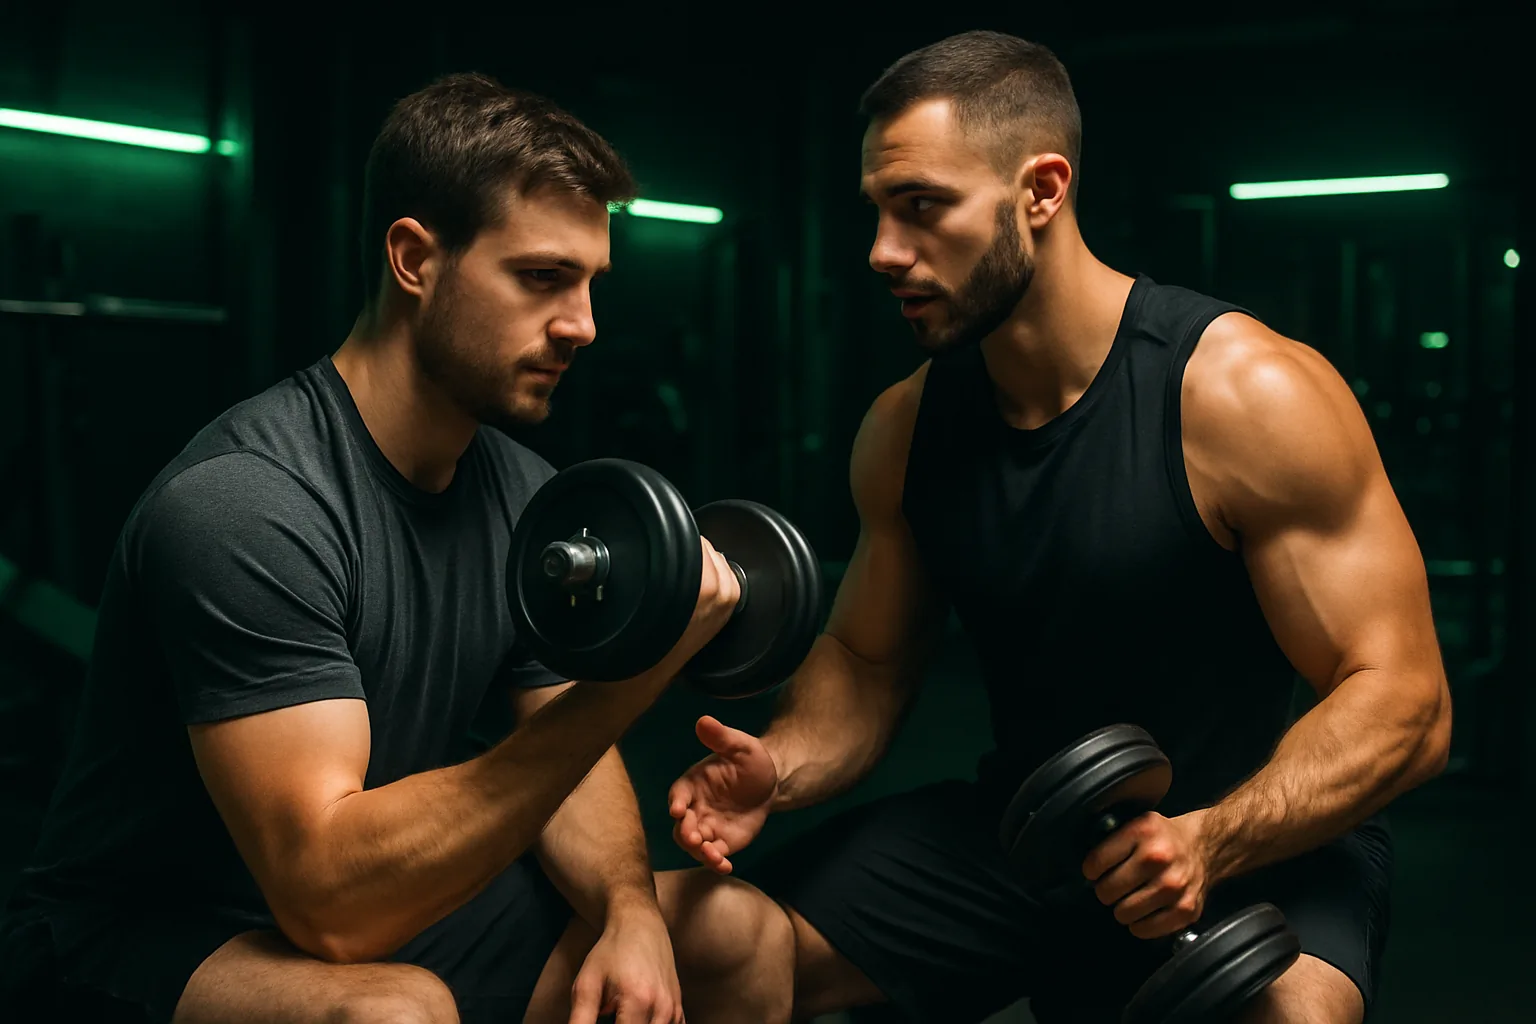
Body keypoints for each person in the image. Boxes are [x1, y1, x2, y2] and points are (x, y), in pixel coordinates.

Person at [666, 30, 1452, 1024]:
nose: (881, 252)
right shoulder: (908, 425)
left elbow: (1407, 699)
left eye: (921, 209)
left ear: (1041, 191)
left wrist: (1212, 838)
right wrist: (781, 767)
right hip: (1027, 829)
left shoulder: (1240, 394)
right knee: (692, 935)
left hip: (1256, 838)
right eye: (876, 211)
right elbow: (866, 663)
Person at [0, 73, 792, 1024]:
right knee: (393, 1013)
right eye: (543, 277)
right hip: (160, 934)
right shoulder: (249, 507)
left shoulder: (526, 493)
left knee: (725, 935)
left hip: (395, 888)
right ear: (415, 260)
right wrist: (634, 679)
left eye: (591, 283)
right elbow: (329, 903)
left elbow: (562, 748)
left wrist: (628, 910)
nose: (583, 324)